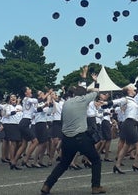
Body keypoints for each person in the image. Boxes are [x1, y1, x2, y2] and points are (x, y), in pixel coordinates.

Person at [41, 67, 106, 195]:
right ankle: (95, 186)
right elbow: (96, 91)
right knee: (96, 160)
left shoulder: (66, 103)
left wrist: (83, 77)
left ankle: (47, 185)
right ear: (84, 95)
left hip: (67, 138)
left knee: (63, 164)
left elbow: (81, 90)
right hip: (80, 137)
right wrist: (95, 81)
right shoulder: (84, 100)